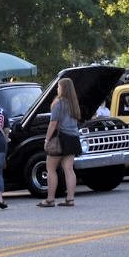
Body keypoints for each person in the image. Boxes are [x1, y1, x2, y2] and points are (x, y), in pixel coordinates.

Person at [39, 76, 81, 206]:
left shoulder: (58, 103)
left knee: (50, 168)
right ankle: (70, 198)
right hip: (73, 138)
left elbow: (53, 123)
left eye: (58, 86)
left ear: (62, 88)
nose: (57, 88)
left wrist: (47, 139)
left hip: (60, 138)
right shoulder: (73, 103)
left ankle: (50, 199)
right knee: (69, 169)